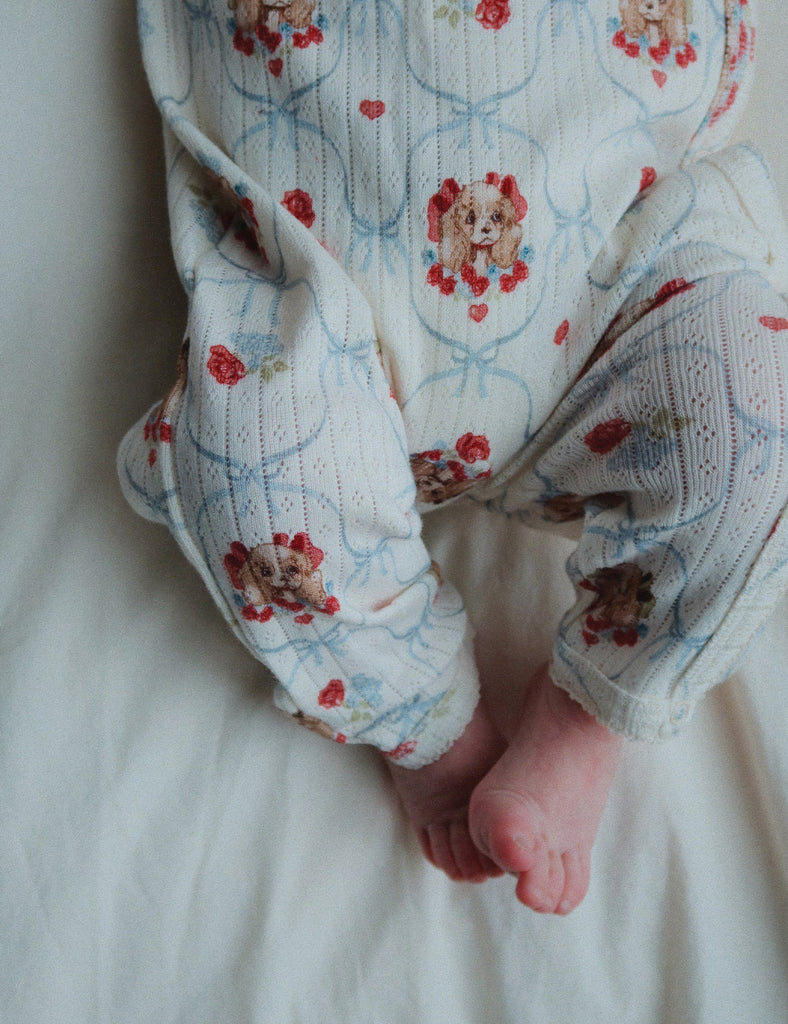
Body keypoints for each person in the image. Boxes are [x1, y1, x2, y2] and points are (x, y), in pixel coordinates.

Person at [119, 0, 788, 913]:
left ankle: (592, 708)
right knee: (245, 455)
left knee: (760, 419)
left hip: (617, 293)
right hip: (324, 318)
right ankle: (426, 713)